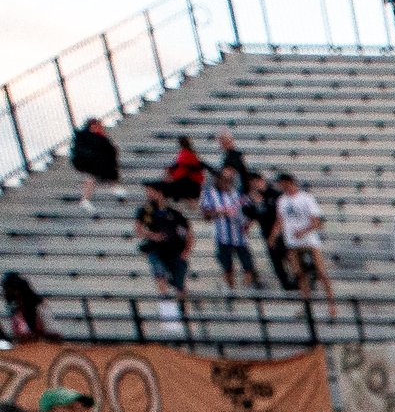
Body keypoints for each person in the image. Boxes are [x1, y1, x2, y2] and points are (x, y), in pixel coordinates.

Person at [273, 172, 335, 317]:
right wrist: (273, 235)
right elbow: (280, 220)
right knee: (299, 274)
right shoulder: (282, 200)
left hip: (309, 241)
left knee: (321, 272)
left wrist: (303, 231)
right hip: (292, 243)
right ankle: (306, 306)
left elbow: (317, 221)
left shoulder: (306, 198)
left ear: (289, 182)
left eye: (282, 183)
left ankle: (331, 304)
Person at [134, 182, 192, 310]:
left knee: (179, 284)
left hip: (175, 251)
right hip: (156, 250)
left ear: (159, 193)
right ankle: (167, 308)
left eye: (150, 191)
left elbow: (188, 233)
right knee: (159, 274)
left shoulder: (174, 212)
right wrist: (153, 235)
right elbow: (138, 229)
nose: (148, 194)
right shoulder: (146, 210)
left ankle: (183, 311)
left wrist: (186, 251)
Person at [201, 167, 259, 292]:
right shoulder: (210, 194)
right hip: (222, 236)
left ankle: (248, 288)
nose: (227, 182)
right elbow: (206, 215)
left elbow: (251, 211)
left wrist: (248, 224)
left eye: (229, 179)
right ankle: (230, 290)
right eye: (225, 179)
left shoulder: (237, 193)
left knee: (247, 265)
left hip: (240, 235)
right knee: (227, 267)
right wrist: (221, 212)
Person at [71, 117, 122, 211]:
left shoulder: (99, 137)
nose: (98, 128)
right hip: (89, 161)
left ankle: (115, 188)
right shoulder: (86, 137)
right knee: (91, 178)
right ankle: (85, 200)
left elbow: (110, 150)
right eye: (95, 126)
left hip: (99, 161)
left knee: (95, 176)